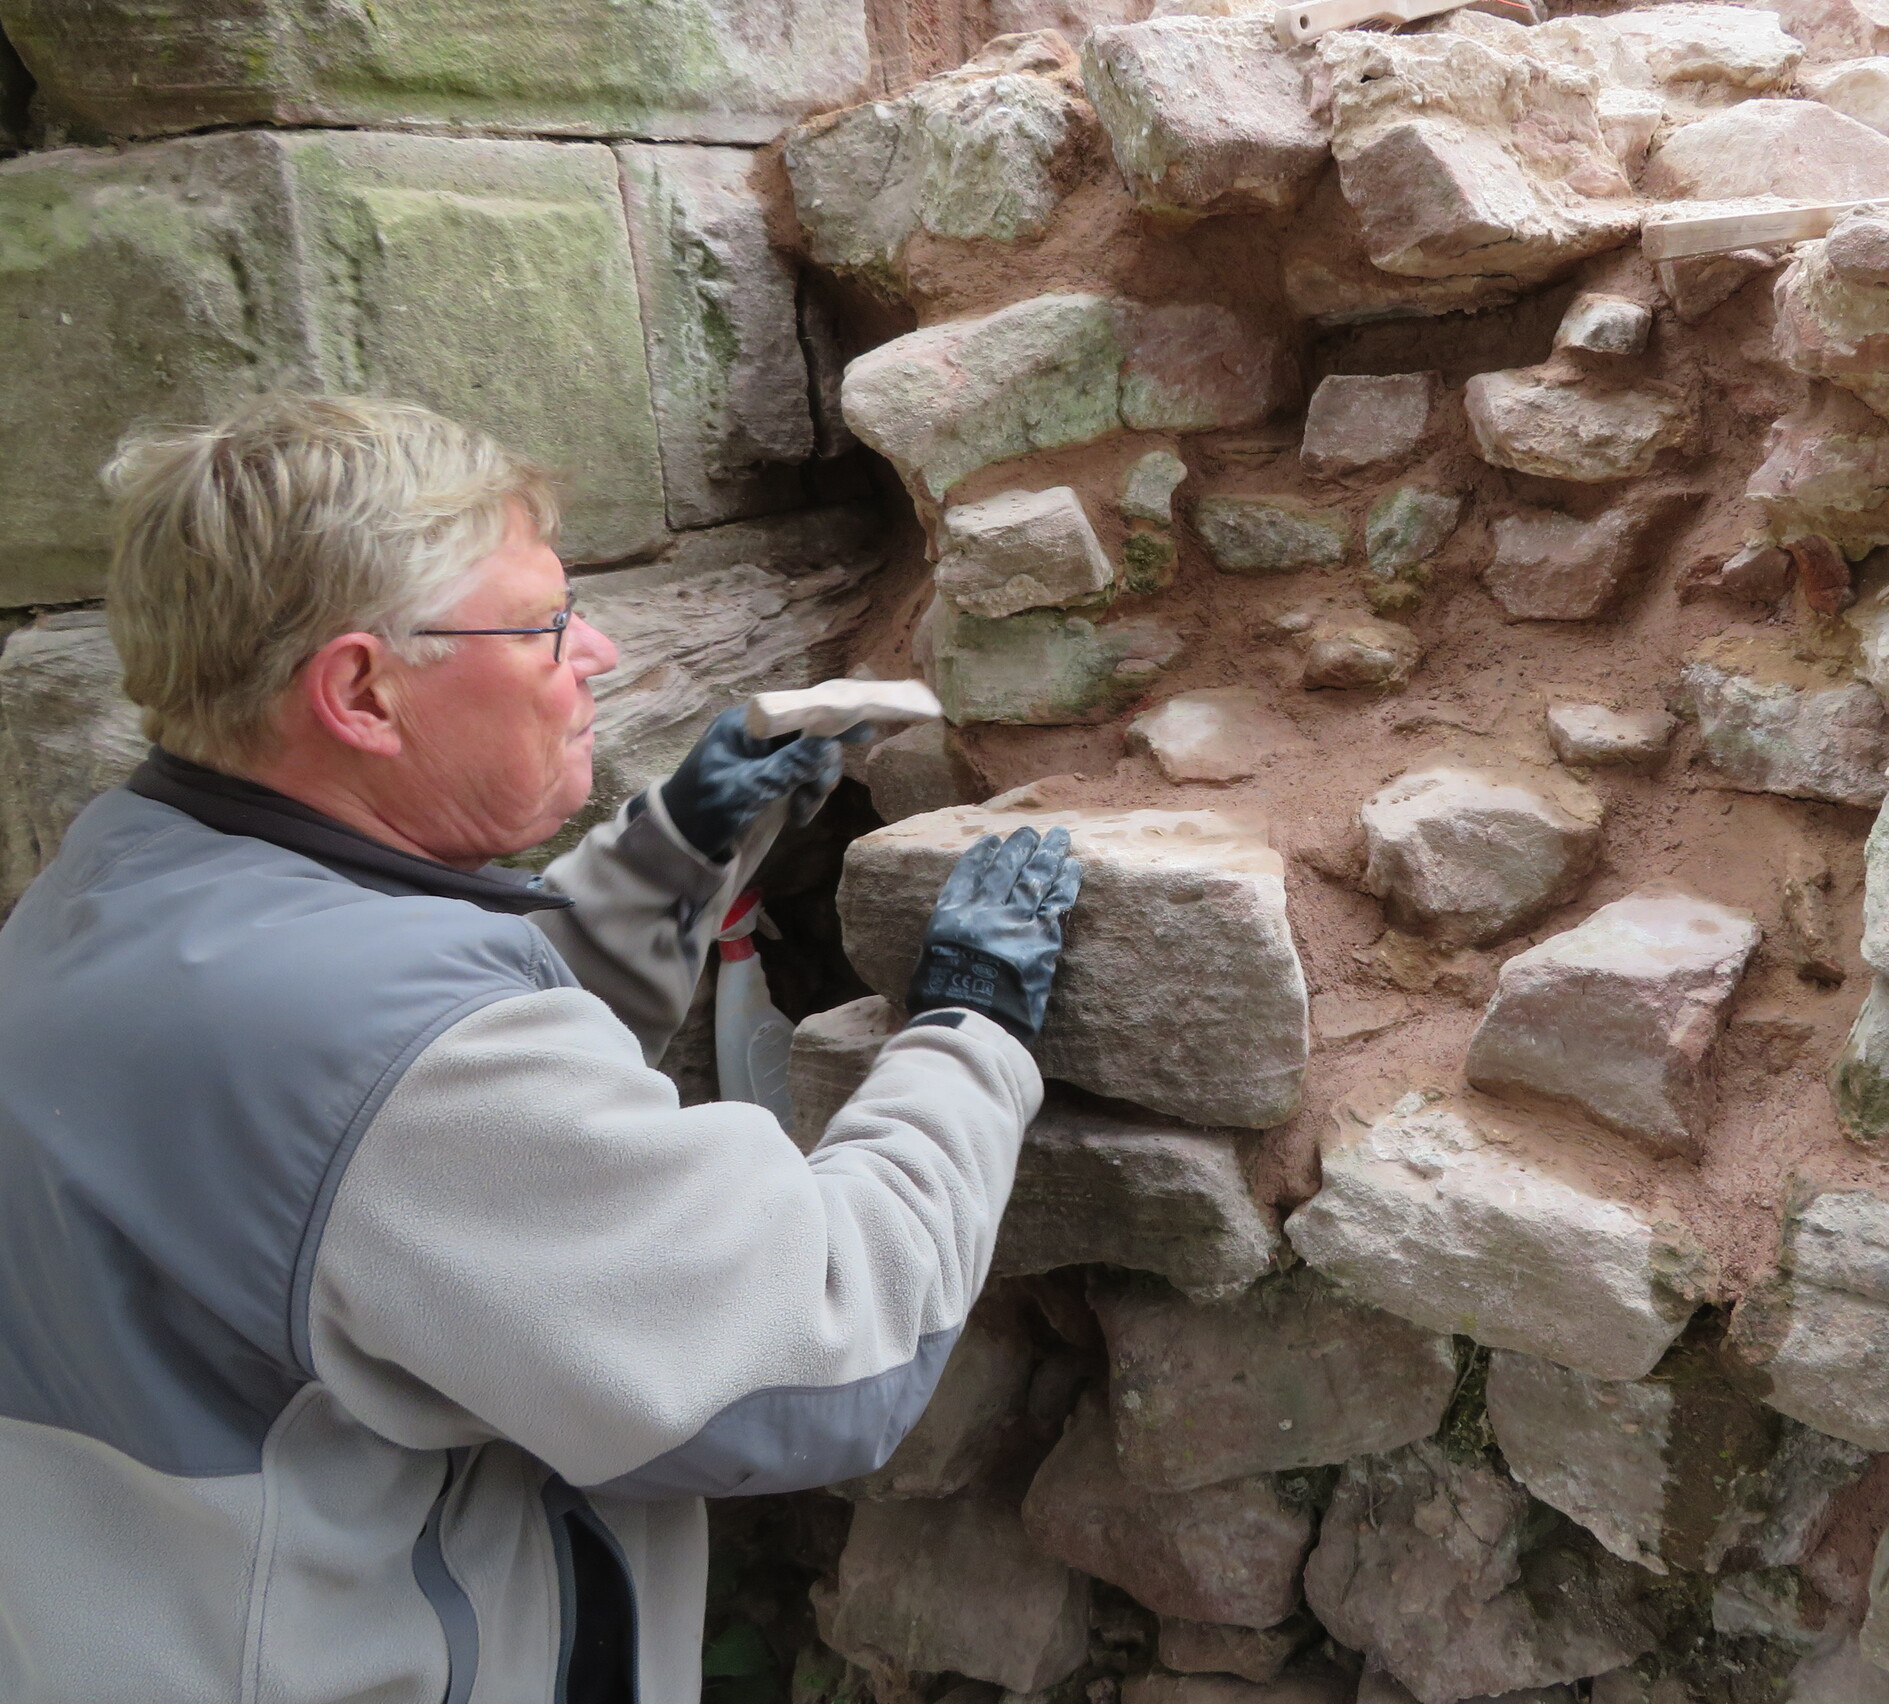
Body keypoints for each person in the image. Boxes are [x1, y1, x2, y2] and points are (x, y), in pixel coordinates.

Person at [0, 395, 1080, 1704]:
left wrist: (683, 844)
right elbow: (819, 1352)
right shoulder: (380, 1052)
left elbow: (397, 1146)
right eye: (545, 625)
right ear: (361, 691)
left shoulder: (117, 890)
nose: (599, 653)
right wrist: (971, 1028)